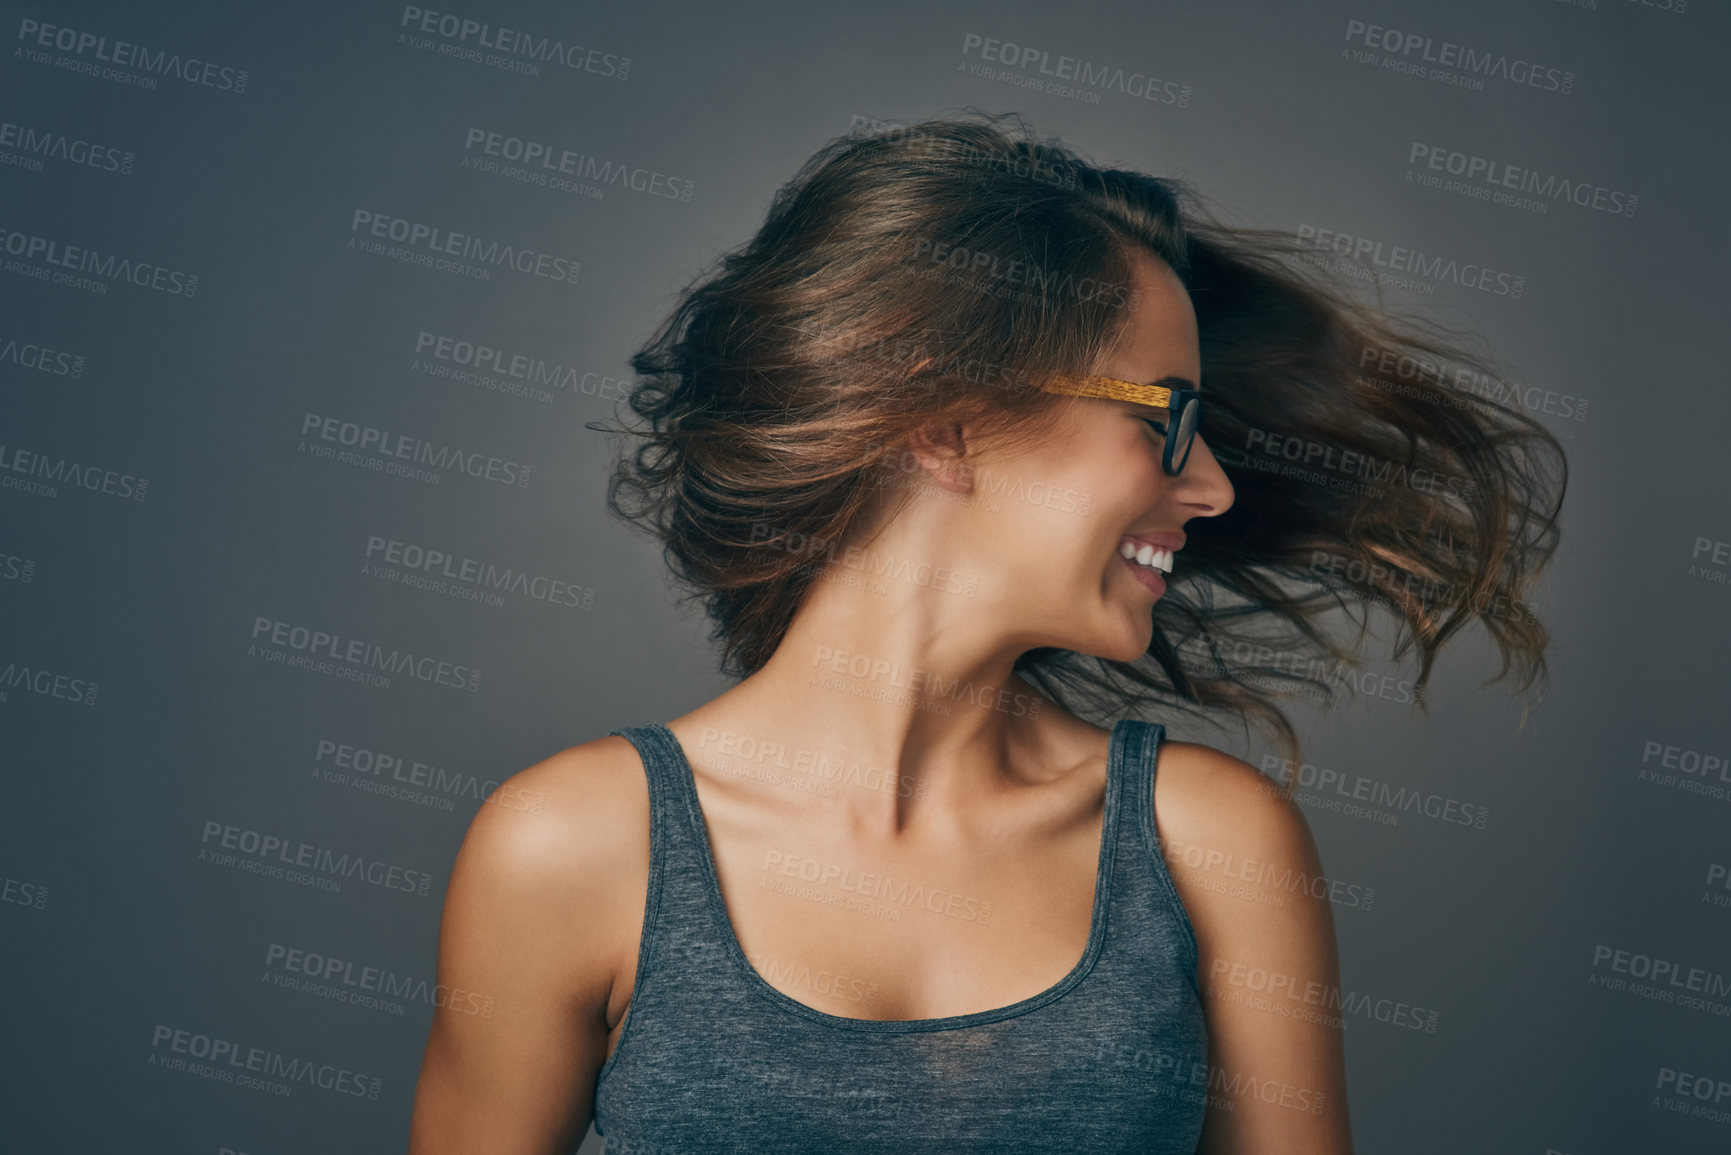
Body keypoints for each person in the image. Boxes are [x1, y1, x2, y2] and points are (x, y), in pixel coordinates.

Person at [408, 111, 1564, 1154]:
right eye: (1169, 418)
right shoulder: (569, 847)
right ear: (946, 423)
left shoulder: (1212, 846)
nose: (1210, 486)